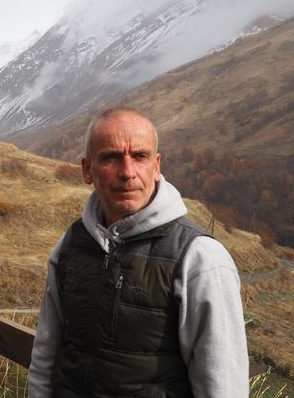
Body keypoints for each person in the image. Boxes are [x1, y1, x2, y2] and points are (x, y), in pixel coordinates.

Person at [28, 107, 248, 397]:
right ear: (87, 169)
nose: (128, 172)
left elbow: (223, 385)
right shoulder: (72, 243)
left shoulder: (199, 257)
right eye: (111, 157)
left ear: (156, 166)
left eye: (140, 156)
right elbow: (46, 353)